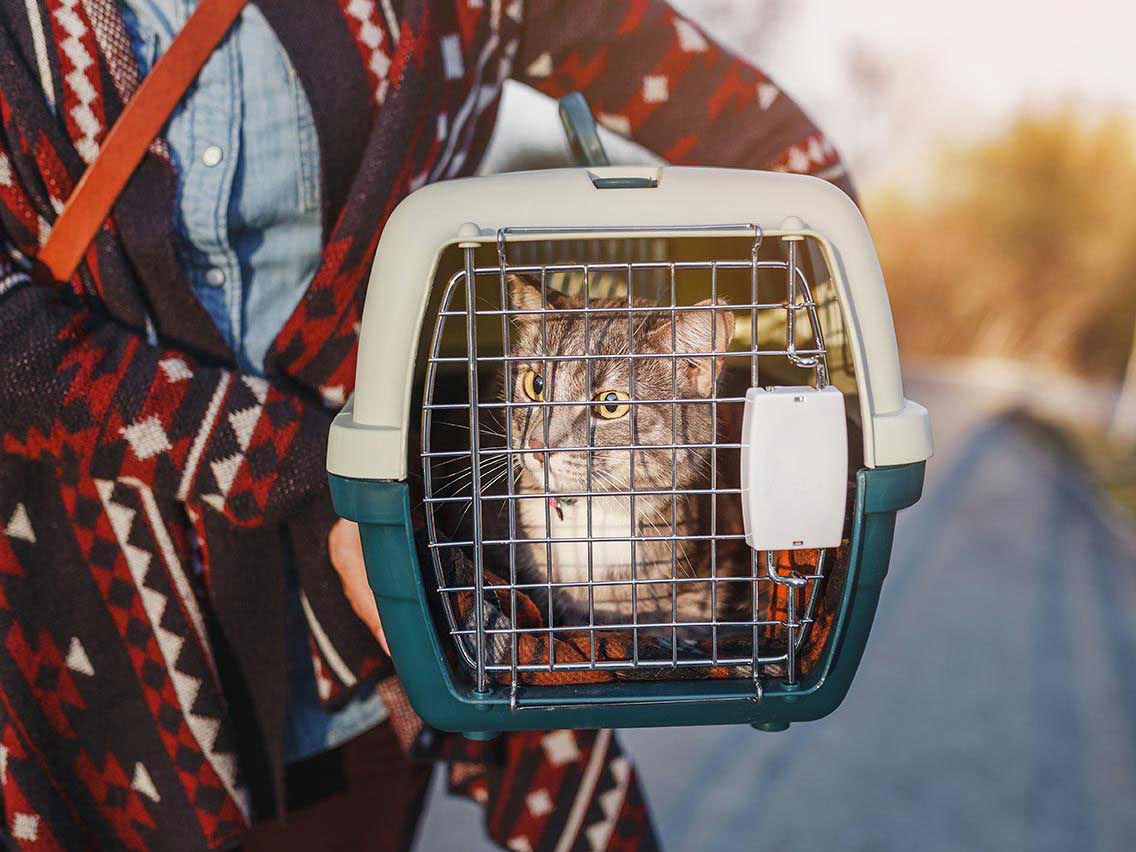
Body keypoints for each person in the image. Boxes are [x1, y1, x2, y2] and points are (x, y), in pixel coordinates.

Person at [0, 1, 853, 849]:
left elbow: (790, 163)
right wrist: (311, 477)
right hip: (85, 637)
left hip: (375, 643)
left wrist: (778, 407)